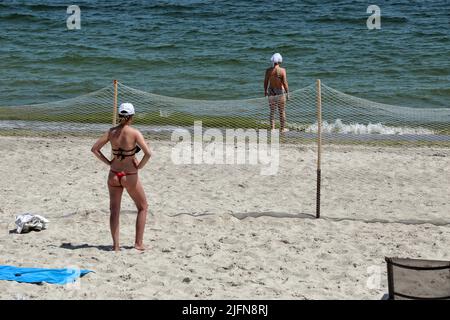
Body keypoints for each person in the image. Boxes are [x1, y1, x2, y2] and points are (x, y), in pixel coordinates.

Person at [91, 102, 152, 251]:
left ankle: (116, 246)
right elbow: (148, 153)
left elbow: (95, 149)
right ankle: (138, 244)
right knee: (143, 207)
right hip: (129, 174)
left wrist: (109, 162)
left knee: (114, 210)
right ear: (131, 116)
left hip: (114, 174)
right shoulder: (135, 133)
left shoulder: (111, 132)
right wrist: (140, 166)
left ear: (119, 115)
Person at [264, 53, 290, 132]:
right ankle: (282, 128)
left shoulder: (268, 70)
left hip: (271, 90)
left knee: (272, 111)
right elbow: (285, 83)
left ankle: (272, 128)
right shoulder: (282, 71)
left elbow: (265, 82)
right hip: (280, 91)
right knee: (281, 111)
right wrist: (287, 93)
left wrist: (265, 91)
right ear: (280, 61)